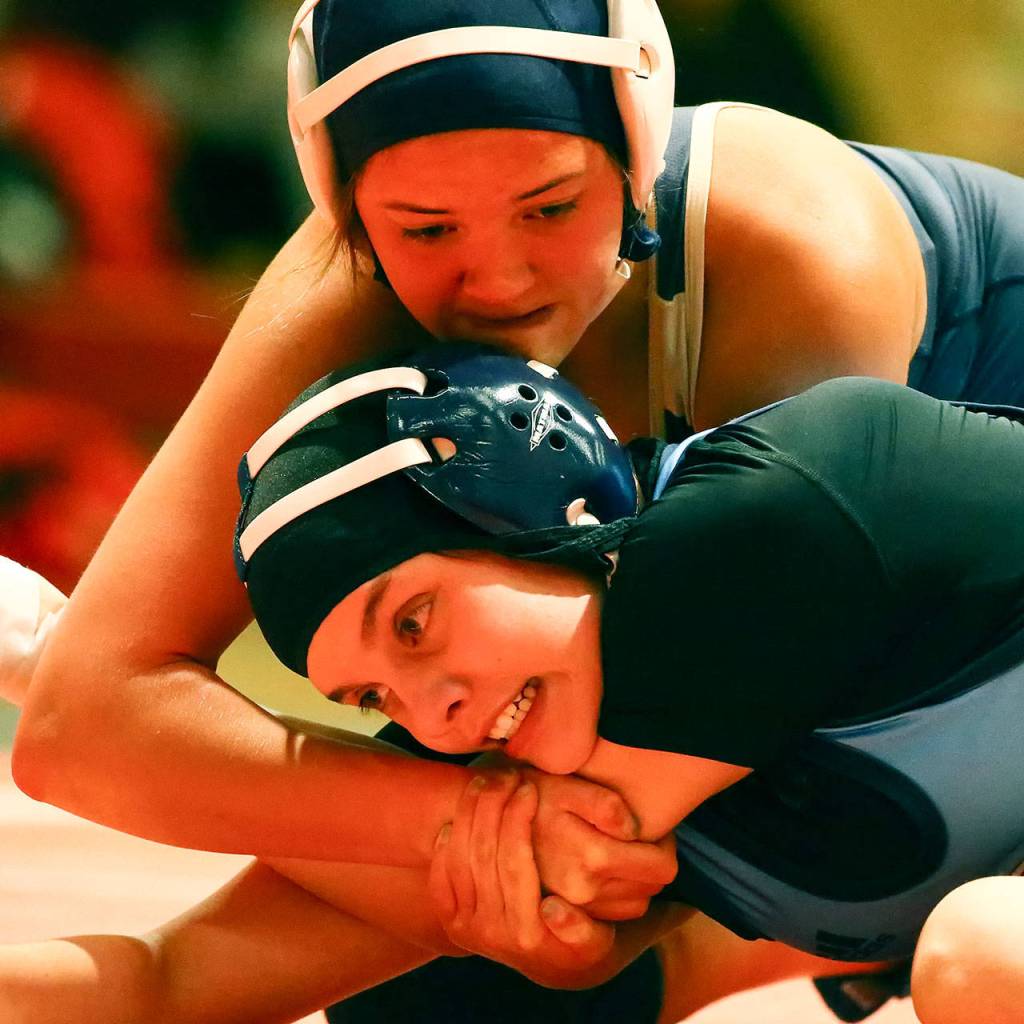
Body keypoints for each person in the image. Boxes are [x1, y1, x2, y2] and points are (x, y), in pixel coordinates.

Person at [11, 0, 1024, 1019]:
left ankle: (816, 952)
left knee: (960, 950)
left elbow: (594, 884)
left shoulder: (794, 289)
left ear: (635, 154)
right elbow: (83, 739)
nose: (495, 278)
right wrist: (461, 824)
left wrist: (464, 836)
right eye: (423, 227)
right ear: (350, 213)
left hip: (903, 673)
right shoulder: (361, 265)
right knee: (452, 993)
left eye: (548, 207)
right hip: (859, 738)